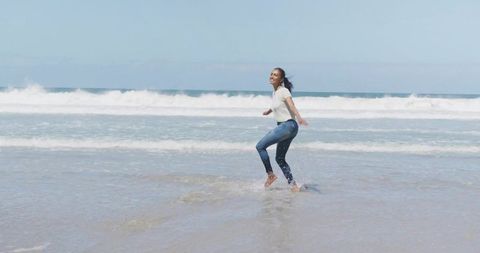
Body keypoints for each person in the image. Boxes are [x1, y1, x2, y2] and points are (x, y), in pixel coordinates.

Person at [256, 67, 308, 192]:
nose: (272, 76)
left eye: (275, 75)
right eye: (271, 74)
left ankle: (271, 175)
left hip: (287, 125)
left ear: (280, 79)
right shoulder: (275, 93)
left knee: (260, 146)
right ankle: (294, 186)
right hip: (290, 128)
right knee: (279, 158)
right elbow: (277, 105)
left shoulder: (284, 91)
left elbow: (291, 104)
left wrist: (299, 117)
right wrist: (268, 111)